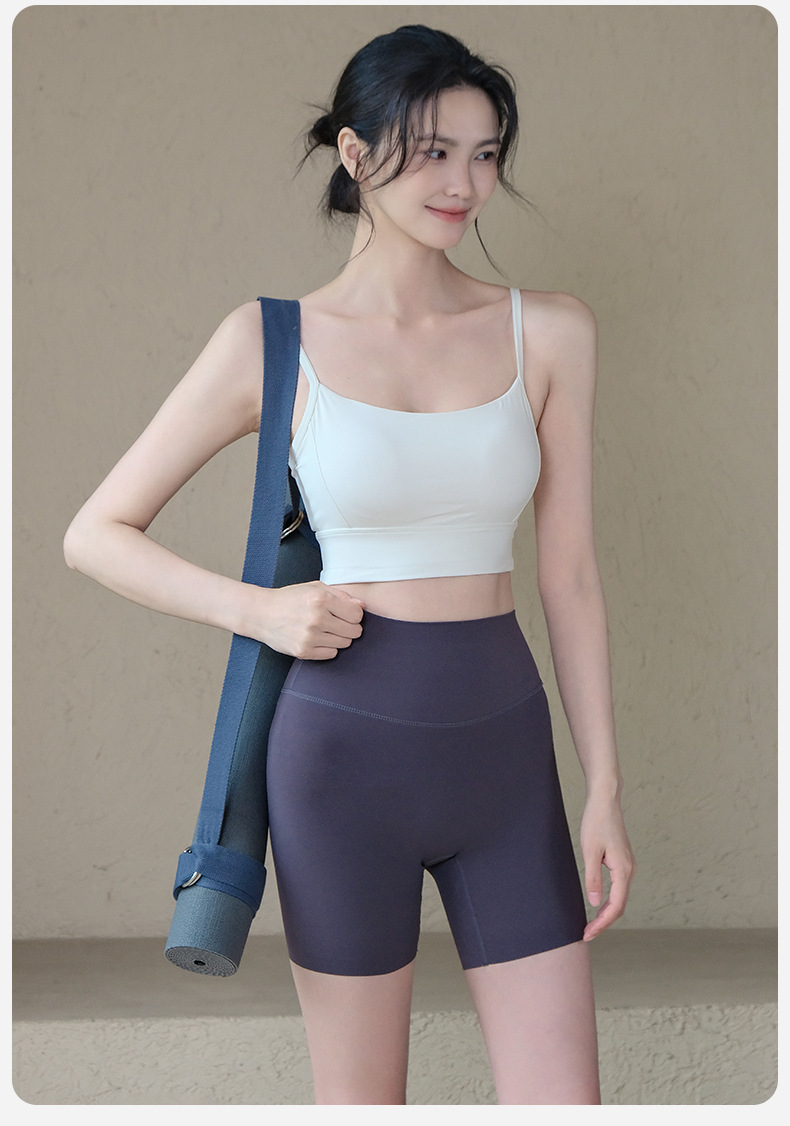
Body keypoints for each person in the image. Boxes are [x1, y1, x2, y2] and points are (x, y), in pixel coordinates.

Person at [64, 24, 635, 1106]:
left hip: (506, 757)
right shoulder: (269, 340)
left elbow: (569, 579)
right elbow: (94, 532)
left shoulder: (551, 332)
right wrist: (259, 610)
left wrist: (603, 784)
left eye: (484, 153)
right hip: (338, 760)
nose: (464, 182)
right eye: (432, 151)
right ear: (355, 151)